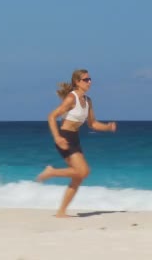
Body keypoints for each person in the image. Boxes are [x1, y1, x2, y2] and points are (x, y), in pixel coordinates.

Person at [36, 69, 117, 217]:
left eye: (90, 79)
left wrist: (108, 127)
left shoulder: (88, 101)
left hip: (75, 138)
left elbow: (92, 124)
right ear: (77, 82)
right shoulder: (71, 98)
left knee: (78, 177)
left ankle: (61, 212)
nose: (89, 82)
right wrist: (57, 138)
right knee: (83, 171)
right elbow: (51, 116)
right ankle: (51, 171)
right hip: (64, 137)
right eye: (86, 79)